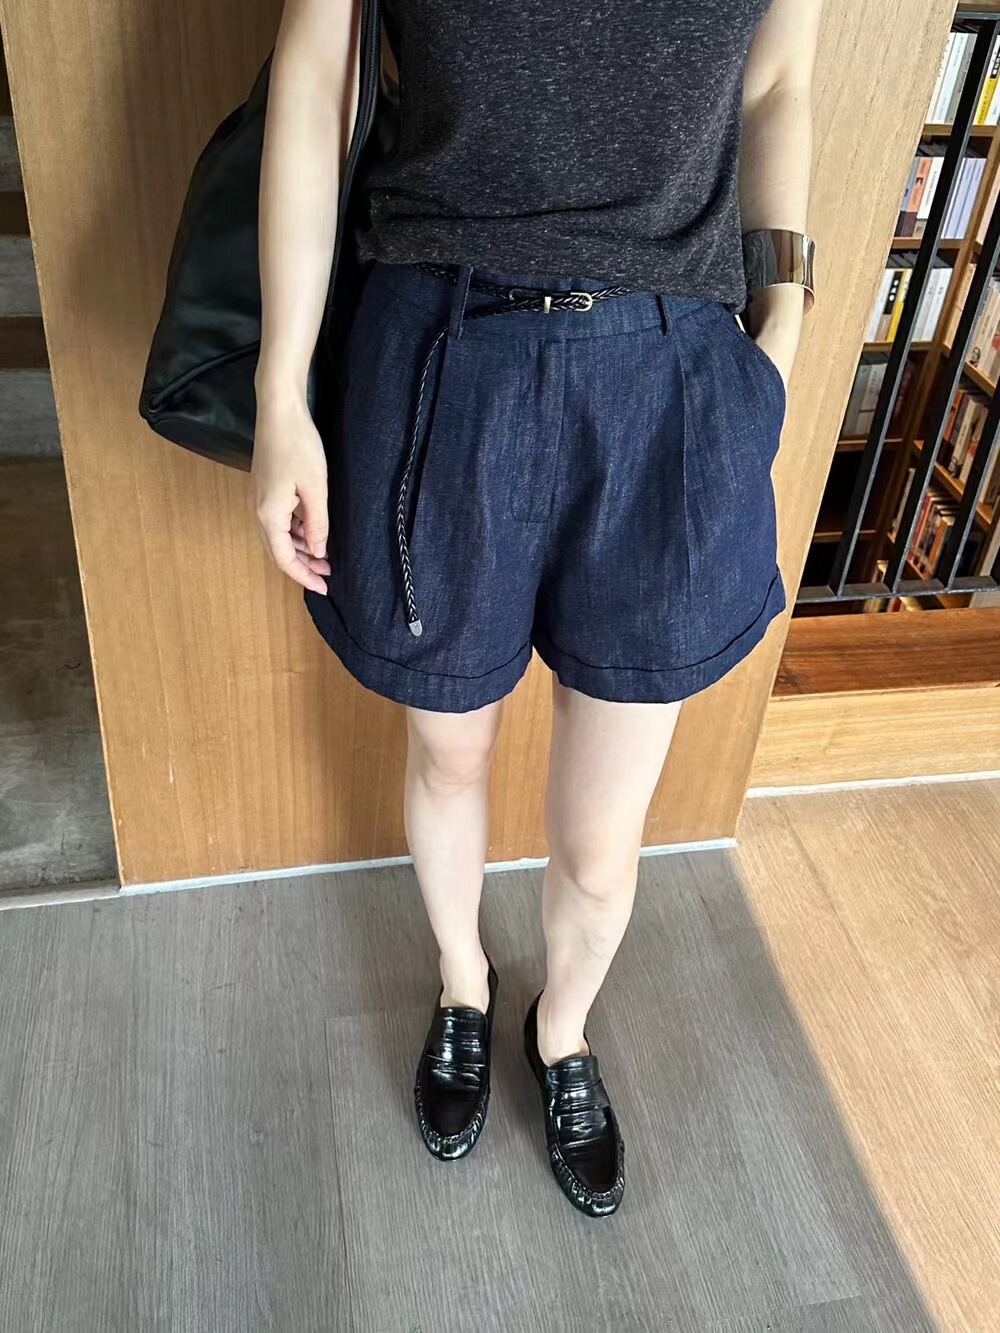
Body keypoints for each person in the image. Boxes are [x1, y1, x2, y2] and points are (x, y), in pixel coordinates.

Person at [250, 0, 821, 1217]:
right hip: (439, 355)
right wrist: (279, 391)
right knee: (448, 750)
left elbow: (777, 82)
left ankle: (561, 1029)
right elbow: (315, 74)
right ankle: (464, 982)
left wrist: (782, 319)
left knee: (604, 836)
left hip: (673, 379)